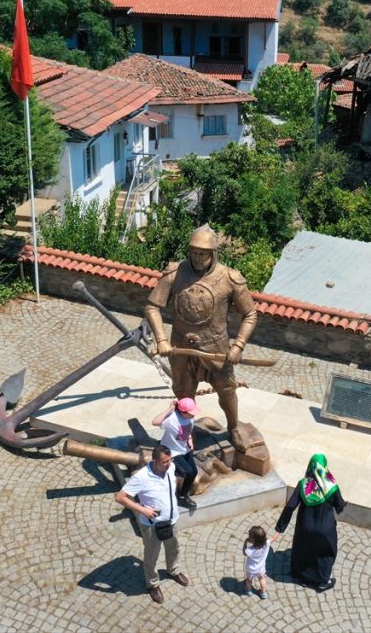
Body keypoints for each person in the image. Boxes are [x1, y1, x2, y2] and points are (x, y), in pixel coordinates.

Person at [144, 225, 258, 441]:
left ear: (213, 254)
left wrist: (238, 345)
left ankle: (234, 427)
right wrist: (161, 339)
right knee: (183, 393)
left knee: (227, 391)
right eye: (194, 252)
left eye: (203, 254)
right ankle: (186, 432)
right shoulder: (175, 273)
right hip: (181, 347)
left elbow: (250, 314)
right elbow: (152, 307)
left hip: (216, 348)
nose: (197, 258)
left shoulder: (229, 278)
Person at [114, 445, 190, 604]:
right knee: (151, 556)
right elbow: (120, 497)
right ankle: (153, 584)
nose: (169, 464)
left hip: (171, 520)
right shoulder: (141, 477)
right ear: (154, 461)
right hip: (151, 525)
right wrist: (142, 510)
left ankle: (173, 570)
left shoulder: (171, 467)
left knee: (174, 548)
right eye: (164, 462)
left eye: (170, 460)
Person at [274, 453, 346, 592]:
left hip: (304, 527)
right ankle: (322, 581)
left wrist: (280, 528)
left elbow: (290, 506)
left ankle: (301, 576)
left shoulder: (303, 485)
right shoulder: (331, 486)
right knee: (325, 552)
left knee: (302, 549)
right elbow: (339, 507)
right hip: (325, 528)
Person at [152, 397, 200, 510]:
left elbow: (188, 430)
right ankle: (175, 489)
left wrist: (189, 439)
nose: (193, 415)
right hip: (172, 451)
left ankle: (183, 496)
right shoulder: (172, 419)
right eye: (191, 413)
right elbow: (155, 422)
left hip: (184, 449)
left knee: (193, 472)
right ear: (183, 412)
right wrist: (169, 409)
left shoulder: (190, 418)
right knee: (187, 471)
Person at [243, 525, 280, 600]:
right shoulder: (267, 543)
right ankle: (263, 593)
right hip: (260, 568)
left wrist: (245, 542)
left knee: (249, 579)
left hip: (251, 569)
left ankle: (249, 591)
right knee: (262, 579)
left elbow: (244, 552)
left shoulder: (250, 550)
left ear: (253, 541)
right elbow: (273, 538)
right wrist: (278, 531)